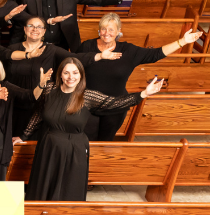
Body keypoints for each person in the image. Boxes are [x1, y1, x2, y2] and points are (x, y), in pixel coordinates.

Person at [16, 58, 164, 201]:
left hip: (73, 149)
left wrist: (144, 93)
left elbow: (115, 103)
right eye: (66, 72)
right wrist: (24, 135)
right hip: (48, 147)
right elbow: (39, 113)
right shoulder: (49, 90)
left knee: (68, 188)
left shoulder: (87, 96)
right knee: (43, 187)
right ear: (60, 74)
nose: (70, 77)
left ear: (81, 75)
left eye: (75, 73)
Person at [78, 13, 204, 141]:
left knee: (104, 142)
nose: (106, 33)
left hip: (116, 106)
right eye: (103, 28)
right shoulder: (87, 46)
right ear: (99, 30)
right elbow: (74, 65)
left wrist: (182, 41)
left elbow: (156, 54)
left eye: (111, 29)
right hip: (87, 105)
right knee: (82, 140)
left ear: (118, 31)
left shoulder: (129, 51)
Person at [6, 16, 115, 138]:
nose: (35, 29)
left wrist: (99, 56)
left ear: (44, 31)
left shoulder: (51, 50)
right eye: (31, 26)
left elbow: (75, 58)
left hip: (39, 106)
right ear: (25, 29)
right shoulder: (12, 50)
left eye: (39, 27)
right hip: (13, 104)